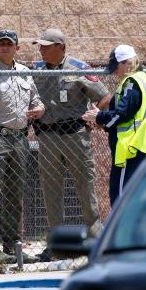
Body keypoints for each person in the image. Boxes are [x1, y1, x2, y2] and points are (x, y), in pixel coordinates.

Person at [32, 28, 109, 259]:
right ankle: (56, 246)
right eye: (40, 46)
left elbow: (104, 96)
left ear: (61, 47)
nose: (42, 50)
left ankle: (95, 242)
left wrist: (96, 114)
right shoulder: (36, 71)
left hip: (75, 135)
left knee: (85, 188)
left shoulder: (79, 69)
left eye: (47, 46)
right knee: (51, 190)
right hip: (47, 136)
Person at [0, 29, 44, 261]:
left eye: (10, 44)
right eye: (2, 44)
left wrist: (40, 109)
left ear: (17, 48)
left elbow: (35, 99)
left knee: (15, 191)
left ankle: (13, 244)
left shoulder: (25, 72)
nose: (6, 47)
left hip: (20, 138)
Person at [83, 45, 146, 206]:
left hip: (130, 150)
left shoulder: (133, 82)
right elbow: (127, 117)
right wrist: (103, 123)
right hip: (138, 148)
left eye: (115, 67)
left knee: (120, 202)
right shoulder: (142, 79)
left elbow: (122, 114)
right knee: (132, 201)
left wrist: (99, 116)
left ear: (127, 63)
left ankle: (121, 232)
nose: (114, 72)